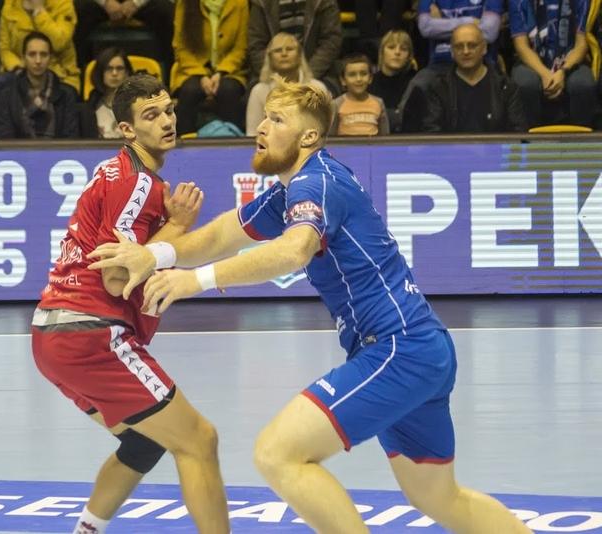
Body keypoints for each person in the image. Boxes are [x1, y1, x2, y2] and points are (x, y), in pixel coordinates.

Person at [87, 78, 533, 534]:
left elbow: (294, 250)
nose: (262, 127)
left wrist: (194, 281)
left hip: (398, 350)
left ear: (309, 136)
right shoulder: (291, 190)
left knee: (278, 453)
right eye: (265, 117)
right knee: (437, 495)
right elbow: (222, 234)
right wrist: (155, 255)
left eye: (277, 120)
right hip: (421, 349)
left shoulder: (316, 182)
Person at [30, 73, 230, 534]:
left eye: (169, 110)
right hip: (91, 334)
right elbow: (117, 276)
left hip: (53, 336)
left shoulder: (118, 172)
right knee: (199, 440)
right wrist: (177, 226)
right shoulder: (137, 183)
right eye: (151, 115)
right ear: (126, 128)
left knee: (143, 443)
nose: (166, 121)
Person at [423, 24, 527, 133]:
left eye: (472, 45)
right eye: (459, 46)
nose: (466, 51)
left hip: (496, 144)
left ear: (484, 48)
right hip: (451, 145)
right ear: (452, 52)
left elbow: (518, 133)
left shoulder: (506, 87)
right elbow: (432, 133)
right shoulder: (438, 88)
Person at [509, 0, 596, 128]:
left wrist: (563, 71)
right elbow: (521, 46)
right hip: (533, 62)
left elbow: (581, 45)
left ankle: (581, 137)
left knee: (582, 83)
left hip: (570, 62)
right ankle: (527, 136)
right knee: (525, 83)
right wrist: (545, 73)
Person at [171, 0, 248, 135]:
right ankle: (181, 143)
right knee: (190, 90)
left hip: (230, 70)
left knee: (228, 90)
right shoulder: (184, 3)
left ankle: (234, 141)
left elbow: (240, 48)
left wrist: (221, 72)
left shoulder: (240, 3)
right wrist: (201, 75)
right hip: (192, 69)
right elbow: (181, 48)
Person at [0, 32, 80, 139]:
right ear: (23, 58)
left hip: (58, 149)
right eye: (32, 54)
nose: (38, 61)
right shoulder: (6, 96)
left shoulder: (67, 94)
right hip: (19, 150)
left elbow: (71, 137)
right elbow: (5, 138)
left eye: (43, 55)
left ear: (50, 58)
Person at [247, 0, 342, 95]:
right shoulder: (262, 2)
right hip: (271, 71)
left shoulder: (324, 2)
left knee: (322, 92)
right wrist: (274, 76)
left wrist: (306, 75)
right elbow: (256, 45)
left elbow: (331, 41)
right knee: (256, 91)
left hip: (318, 71)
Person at [245, 32, 329, 135]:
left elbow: (325, 130)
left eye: (289, 49)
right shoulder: (259, 91)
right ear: (270, 58)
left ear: (299, 55)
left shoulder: (317, 88)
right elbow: (253, 133)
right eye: (278, 50)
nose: (284, 54)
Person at [0, 0, 80, 95]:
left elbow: (60, 43)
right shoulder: (10, 5)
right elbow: (5, 48)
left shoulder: (63, 4)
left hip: (59, 73)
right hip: (20, 69)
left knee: (67, 93)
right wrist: (19, 67)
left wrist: (39, 12)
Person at [369, 29, 418, 132]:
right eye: (391, 47)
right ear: (382, 52)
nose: (397, 52)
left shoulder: (416, 83)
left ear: (409, 56)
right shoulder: (369, 82)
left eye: (403, 49)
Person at [331, 53, 389, 136]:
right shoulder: (336, 104)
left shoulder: (379, 103)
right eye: (352, 75)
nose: (358, 79)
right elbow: (330, 137)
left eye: (363, 74)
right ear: (343, 80)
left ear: (370, 78)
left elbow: (385, 136)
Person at [85, 47, 133, 138]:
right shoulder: (90, 108)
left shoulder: (138, 105)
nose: (114, 73)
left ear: (127, 73)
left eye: (119, 68)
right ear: (100, 73)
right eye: (109, 68)